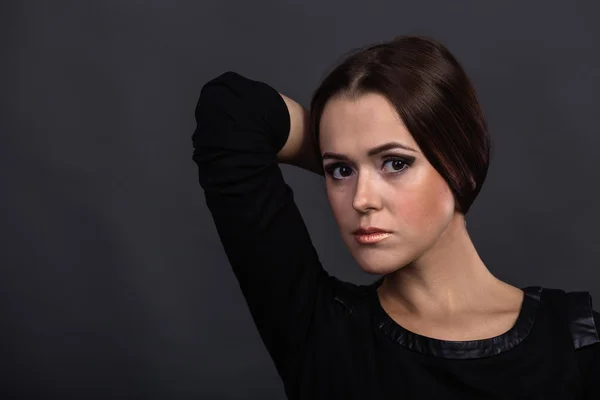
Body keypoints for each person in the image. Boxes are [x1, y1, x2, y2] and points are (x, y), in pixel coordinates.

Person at [191, 35, 599, 399]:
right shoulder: (321, 330)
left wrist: (351, 156)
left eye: (395, 164)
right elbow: (230, 110)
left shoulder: (576, 341)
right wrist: (344, 146)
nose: (361, 200)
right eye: (341, 172)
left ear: (461, 166)